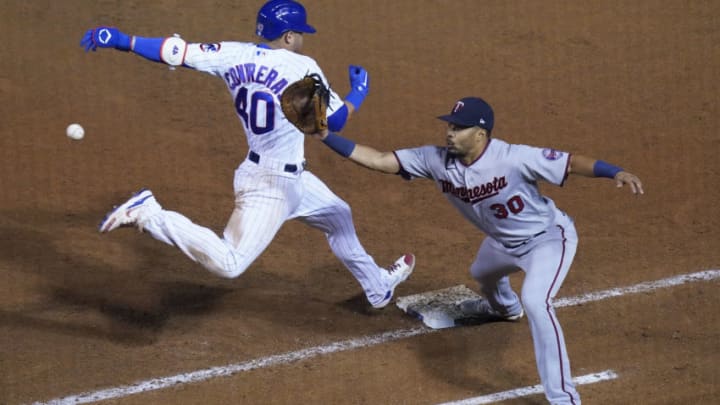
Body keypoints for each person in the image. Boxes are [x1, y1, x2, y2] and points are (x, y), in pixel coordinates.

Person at [79, 0, 415, 309]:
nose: (302, 39)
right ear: (287, 36)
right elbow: (336, 121)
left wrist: (122, 40)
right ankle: (149, 214)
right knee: (230, 263)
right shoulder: (301, 66)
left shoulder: (232, 54)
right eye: (299, 33)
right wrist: (359, 92)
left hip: (286, 176)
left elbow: (174, 51)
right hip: (270, 187)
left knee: (339, 216)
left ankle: (377, 285)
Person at [311, 96, 643, 404]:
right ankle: (506, 309)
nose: (449, 133)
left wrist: (615, 171)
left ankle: (564, 397)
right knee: (482, 275)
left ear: (480, 134)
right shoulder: (435, 160)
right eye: (449, 126)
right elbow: (380, 160)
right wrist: (326, 136)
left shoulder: (513, 158)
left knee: (537, 301)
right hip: (501, 242)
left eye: (458, 128)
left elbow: (570, 163)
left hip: (548, 240)